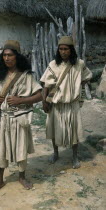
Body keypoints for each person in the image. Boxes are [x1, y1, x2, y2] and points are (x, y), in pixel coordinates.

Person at [0, 40, 42, 194]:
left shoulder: (26, 76)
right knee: (0, 148)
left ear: (17, 56)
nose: (6, 58)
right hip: (3, 118)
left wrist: (21, 100)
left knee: (21, 147)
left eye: (10, 55)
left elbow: (40, 95)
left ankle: (22, 177)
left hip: (20, 118)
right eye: (4, 55)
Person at [40, 36, 92, 168]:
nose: (63, 52)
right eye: (61, 49)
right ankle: (56, 153)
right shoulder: (53, 64)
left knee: (74, 131)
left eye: (66, 49)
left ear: (71, 50)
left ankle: (74, 157)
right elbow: (46, 85)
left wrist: (77, 85)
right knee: (53, 129)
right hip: (56, 104)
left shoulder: (79, 64)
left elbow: (87, 76)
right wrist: (44, 101)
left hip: (72, 104)